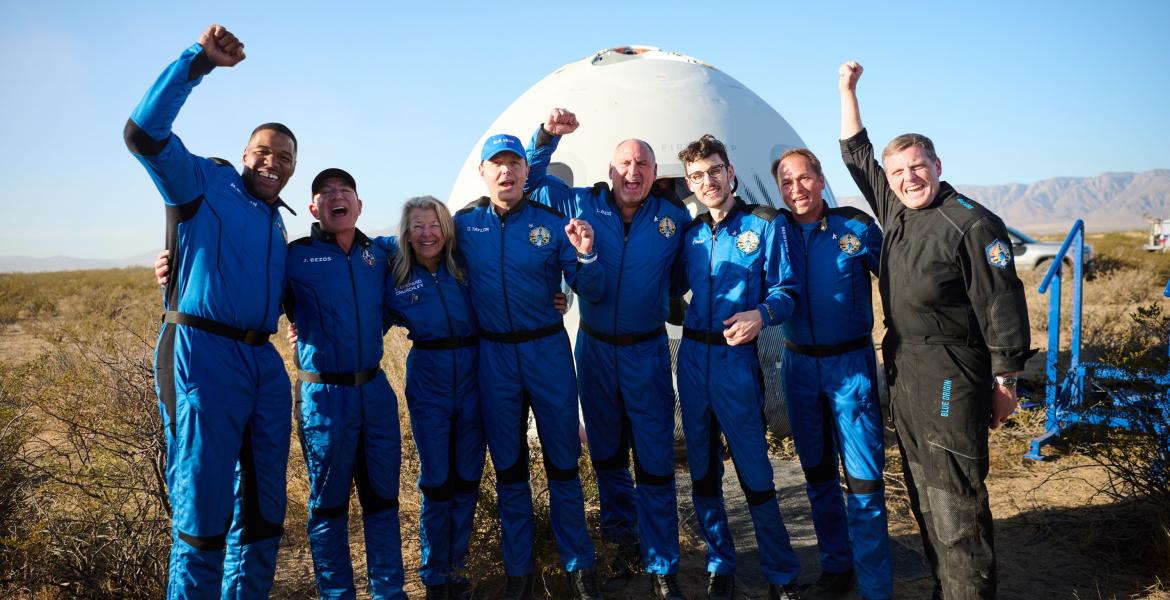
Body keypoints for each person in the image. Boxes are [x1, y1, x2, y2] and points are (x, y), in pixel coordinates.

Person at [838, 61, 1032, 600]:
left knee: (955, 499)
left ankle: (969, 592)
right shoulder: (896, 209)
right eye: (898, 172)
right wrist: (847, 90)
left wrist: (1006, 380)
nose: (907, 179)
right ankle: (946, 589)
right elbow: (856, 154)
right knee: (923, 494)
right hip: (905, 371)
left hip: (953, 371)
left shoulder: (970, 223)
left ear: (938, 165)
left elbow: (1001, 303)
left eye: (918, 168)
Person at [125, 24, 296, 598]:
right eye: (265, 152)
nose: (274, 163)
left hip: (262, 365)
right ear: (247, 154)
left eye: (286, 158)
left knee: (265, 508)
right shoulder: (204, 182)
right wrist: (196, 63)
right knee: (201, 517)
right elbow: (144, 134)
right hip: (202, 355)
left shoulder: (278, 222)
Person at [523, 108, 690, 600]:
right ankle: (624, 550)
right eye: (624, 164)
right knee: (608, 457)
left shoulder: (673, 219)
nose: (632, 173)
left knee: (656, 462)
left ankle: (664, 566)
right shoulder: (579, 202)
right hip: (595, 351)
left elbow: (683, 278)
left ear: (655, 174)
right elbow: (527, 182)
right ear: (610, 169)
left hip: (647, 352)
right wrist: (546, 137)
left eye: (643, 164)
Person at [453, 133, 606, 600]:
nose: (506, 172)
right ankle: (518, 569)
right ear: (482, 173)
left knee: (563, 463)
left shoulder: (551, 222)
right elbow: (422, 259)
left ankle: (579, 565)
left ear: (526, 171)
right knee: (510, 467)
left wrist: (584, 256)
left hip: (546, 352)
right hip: (494, 356)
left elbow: (587, 285)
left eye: (514, 163)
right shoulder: (463, 225)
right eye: (496, 164)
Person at [675, 135, 802, 600]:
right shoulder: (690, 234)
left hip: (735, 361)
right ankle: (719, 561)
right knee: (703, 471)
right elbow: (669, 290)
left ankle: (782, 573)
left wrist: (760, 315)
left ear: (730, 172)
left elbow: (788, 291)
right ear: (689, 183)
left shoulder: (765, 225)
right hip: (692, 359)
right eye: (696, 177)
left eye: (713, 171)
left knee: (755, 473)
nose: (707, 182)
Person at [772, 149, 892, 600]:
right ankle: (836, 568)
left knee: (863, 480)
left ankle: (876, 585)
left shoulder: (855, 228)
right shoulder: (775, 231)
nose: (796, 190)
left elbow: (900, 282)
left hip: (850, 365)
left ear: (820, 180)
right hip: (798, 365)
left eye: (804, 179)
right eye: (787, 183)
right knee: (818, 475)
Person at [285, 169, 405, 599]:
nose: (337, 198)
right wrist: (172, 270)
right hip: (324, 397)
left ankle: (390, 592)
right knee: (329, 506)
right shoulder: (293, 256)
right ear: (314, 208)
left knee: (383, 502)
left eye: (345, 192)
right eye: (326, 193)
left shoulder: (380, 255)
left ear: (359, 205)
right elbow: (252, 293)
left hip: (374, 392)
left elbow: (422, 275)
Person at [384, 196, 485, 600]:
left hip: (476, 375)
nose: (427, 234)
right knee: (437, 480)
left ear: (446, 228)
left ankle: (457, 566)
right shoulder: (395, 275)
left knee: (466, 478)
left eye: (434, 225)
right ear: (406, 233)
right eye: (418, 226)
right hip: (428, 379)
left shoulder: (465, 267)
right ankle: (434, 574)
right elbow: (360, 315)